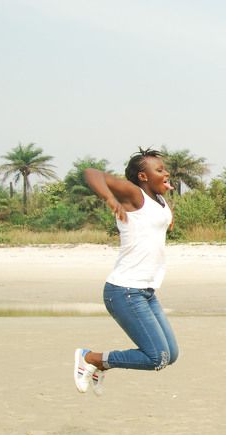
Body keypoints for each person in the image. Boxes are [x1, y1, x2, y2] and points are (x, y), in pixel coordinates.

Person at [73, 149, 180, 395]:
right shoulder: (135, 194)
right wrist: (110, 199)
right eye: (159, 170)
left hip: (146, 292)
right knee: (156, 357)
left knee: (171, 355)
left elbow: (153, 221)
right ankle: (90, 358)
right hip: (125, 291)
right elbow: (91, 173)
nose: (166, 173)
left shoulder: (158, 200)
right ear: (143, 176)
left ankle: (99, 365)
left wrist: (168, 216)